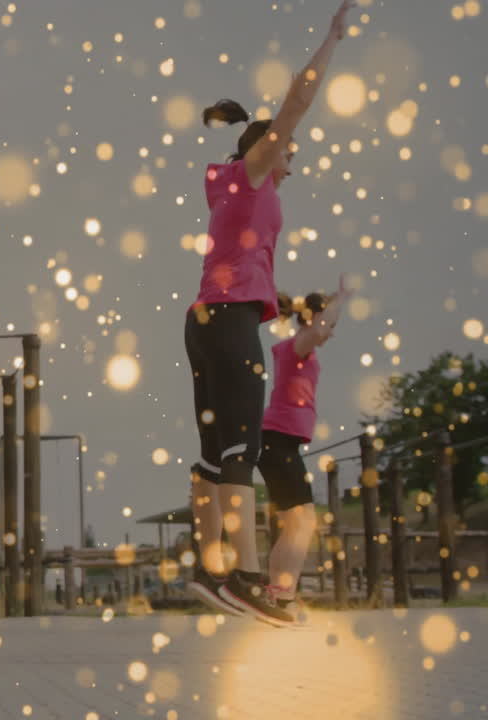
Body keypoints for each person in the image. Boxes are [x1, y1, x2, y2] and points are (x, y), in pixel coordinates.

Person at [185, 0, 356, 623]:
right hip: (228, 324)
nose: (292, 160)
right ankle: (245, 578)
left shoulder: (226, 185)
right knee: (241, 449)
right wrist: (331, 41)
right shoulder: (253, 174)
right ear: (263, 148)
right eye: (288, 151)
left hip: (204, 320)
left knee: (211, 455)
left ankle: (210, 568)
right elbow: (297, 103)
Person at [229, 278, 352, 626]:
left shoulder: (301, 348)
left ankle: (281, 594)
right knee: (303, 520)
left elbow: (322, 328)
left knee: (295, 521)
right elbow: (322, 327)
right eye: (326, 325)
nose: (330, 333)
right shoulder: (296, 346)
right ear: (312, 319)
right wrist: (339, 298)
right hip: (276, 441)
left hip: (280, 442)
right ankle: (280, 594)